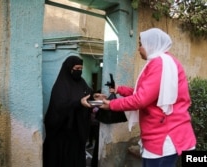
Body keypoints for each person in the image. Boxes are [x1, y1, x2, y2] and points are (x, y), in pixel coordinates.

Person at [98, 28, 197, 167]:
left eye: (140, 44)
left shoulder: (159, 63)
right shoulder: (164, 61)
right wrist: (119, 89)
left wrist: (111, 105)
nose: (138, 49)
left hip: (164, 136)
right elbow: (144, 93)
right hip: (164, 132)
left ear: (151, 44)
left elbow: (141, 99)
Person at [43, 55, 93, 167]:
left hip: (76, 132)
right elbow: (60, 107)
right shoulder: (60, 86)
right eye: (76, 69)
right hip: (62, 134)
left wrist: (95, 97)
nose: (79, 72)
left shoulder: (81, 82)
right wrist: (78, 103)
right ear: (69, 68)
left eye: (81, 69)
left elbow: (88, 93)